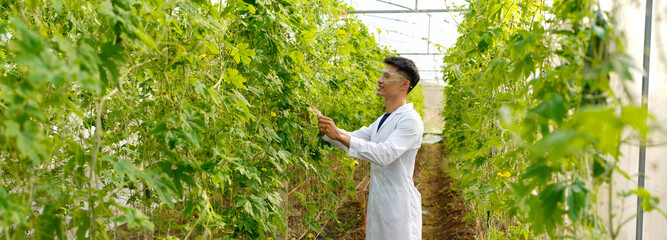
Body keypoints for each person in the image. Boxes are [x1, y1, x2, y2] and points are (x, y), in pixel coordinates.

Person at [310, 56, 423, 240]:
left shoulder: (410, 120)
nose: (380, 80)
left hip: (398, 205)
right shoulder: (382, 120)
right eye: (381, 75)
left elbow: (383, 154)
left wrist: (337, 134)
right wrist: (323, 126)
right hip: (380, 201)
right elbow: (353, 138)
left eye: (386, 76)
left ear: (404, 84)